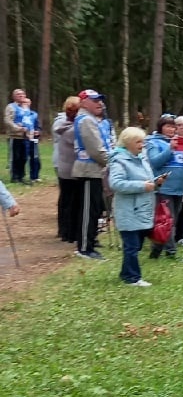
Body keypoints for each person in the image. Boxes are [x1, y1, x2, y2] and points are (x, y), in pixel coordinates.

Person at [108, 126, 163, 287]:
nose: (142, 145)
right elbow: (116, 184)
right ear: (128, 143)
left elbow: (147, 180)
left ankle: (126, 274)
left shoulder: (142, 158)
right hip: (128, 209)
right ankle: (133, 278)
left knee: (135, 245)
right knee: (131, 246)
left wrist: (156, 183)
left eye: (143, 141)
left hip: (143, 208)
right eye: (138, 142)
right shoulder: (119, 160)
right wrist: (142, 186)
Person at [71, 90, 113, 259]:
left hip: (94, 170)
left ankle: (89, 244)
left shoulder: (92, 120)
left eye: (100, 100)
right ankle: (84, 248)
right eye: (94, 100)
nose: (99, 103)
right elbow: (96, 150)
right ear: (83, 102)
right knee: (88, 210)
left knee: (94, 209)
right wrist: (112, 162)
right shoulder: (86, 120)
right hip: (88, 170)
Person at [146, 115, 183, 259]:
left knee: (170, 221)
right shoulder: (153, 142)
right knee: (166, 220)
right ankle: (171, 252)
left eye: (173, 126)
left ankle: (156, 251)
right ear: (161, 127)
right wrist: (169, 149)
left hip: (179, 188)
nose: (171, 129)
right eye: (168, 126)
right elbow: (155, 162)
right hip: (164, 187)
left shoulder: (181, 142)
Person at [52, 96, 81, 242]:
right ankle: (68, 232)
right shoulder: (70, 129)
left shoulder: (64, 125)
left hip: (65, 166)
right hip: (70, 168)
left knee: (66, 199)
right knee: (70, 200)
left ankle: (65, 230)